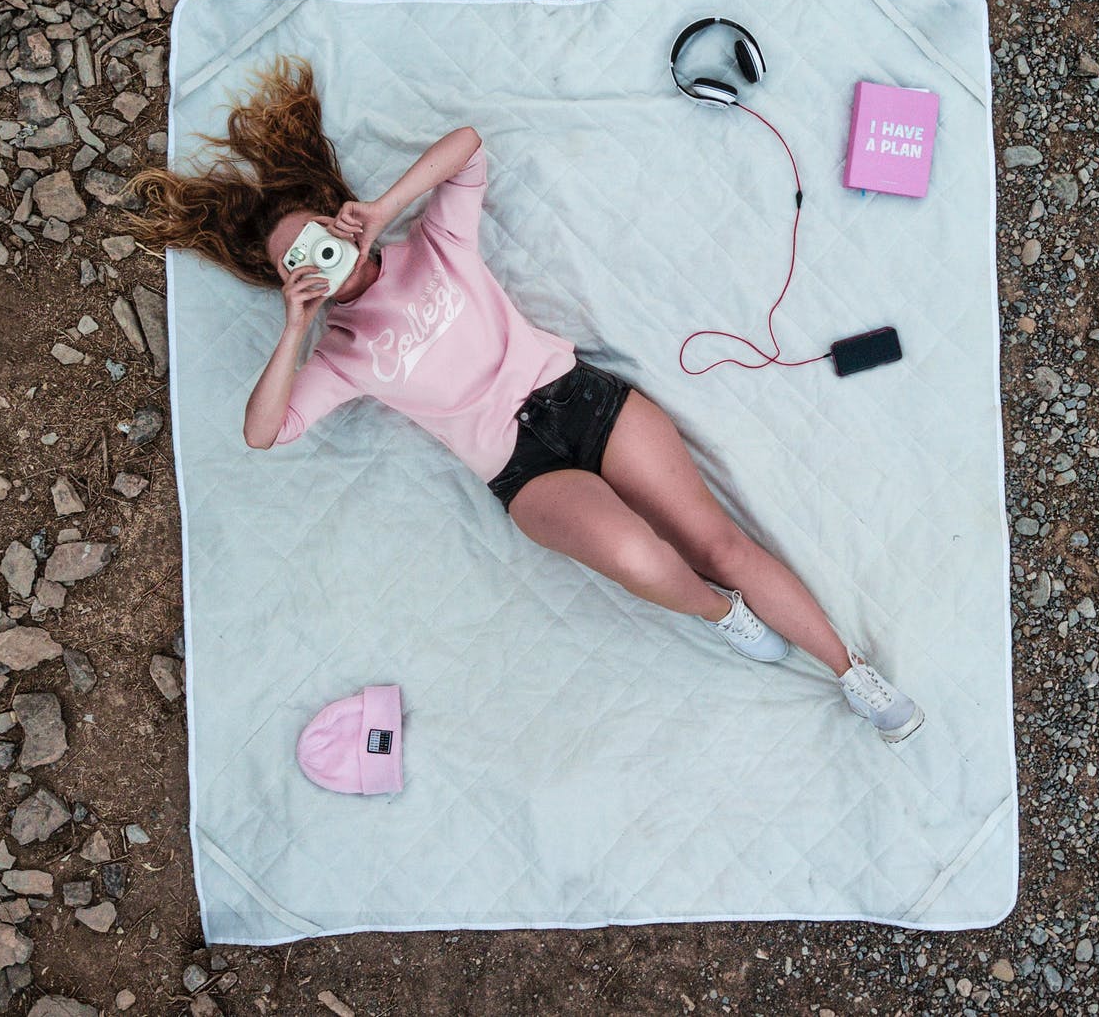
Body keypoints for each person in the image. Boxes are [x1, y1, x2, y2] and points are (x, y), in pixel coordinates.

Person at [121, 58, 923, 743]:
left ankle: (853, 674)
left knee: (717, 541)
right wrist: (296, 322)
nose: (321, 261)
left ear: (340, 222)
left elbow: (469, 147)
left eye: (320, 241)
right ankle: (720, 616)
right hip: (521, 466)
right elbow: (266, 431)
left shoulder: (433, 245)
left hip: (579, 399)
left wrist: (384, 209)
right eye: (300, 263)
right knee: (645, 558)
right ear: (290, 280)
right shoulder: (340, 352)